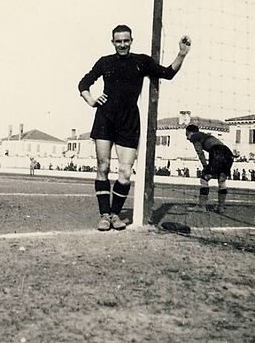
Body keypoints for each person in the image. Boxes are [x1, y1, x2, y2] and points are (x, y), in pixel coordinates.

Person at [79, 24, 190, 231]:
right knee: (103, 166)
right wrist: (92, 101)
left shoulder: (141, 61)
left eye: (126, 40)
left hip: (129, 121)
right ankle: (104, 215)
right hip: (105, 119)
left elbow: (167, 73)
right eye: (118, 41)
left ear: (131, 40)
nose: (122, 44)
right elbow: (83, 83)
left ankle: (115, 214)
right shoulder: (105, 62)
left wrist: (181, 54)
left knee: (125, 172)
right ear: (113, 42)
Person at [185, 124, 234, 213]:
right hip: (228, 153)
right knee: (221, 180)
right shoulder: (207, 135)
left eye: (186, 134)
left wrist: (205, 167)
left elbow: (200, 153)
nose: (187, 138)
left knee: (204, 178)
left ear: (191, 132)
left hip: (217, 153)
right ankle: (221, 207)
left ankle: (202, 206)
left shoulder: (195, 137)